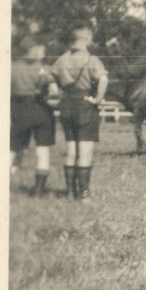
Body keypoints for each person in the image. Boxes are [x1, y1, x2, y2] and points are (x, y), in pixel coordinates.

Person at [47, 24, 109, 201]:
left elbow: (50, 78)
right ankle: (84, 196)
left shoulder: (61, 59)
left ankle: (69, 193)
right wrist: (97, 99)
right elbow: (103, 79)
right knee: (85, 152)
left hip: (66, 105)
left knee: (71, 151)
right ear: (87, 38)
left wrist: (56, 91)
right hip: (84, 105)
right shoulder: (92, 59)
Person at [10, 37, 55, 196]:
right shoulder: (42, 68)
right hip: (40, 110)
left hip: (18, 110)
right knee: (43, 151)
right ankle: (39, 190)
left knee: (12, 149)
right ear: (32, 51)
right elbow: (53, 90)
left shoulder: (11, 67)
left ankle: (2, 184)